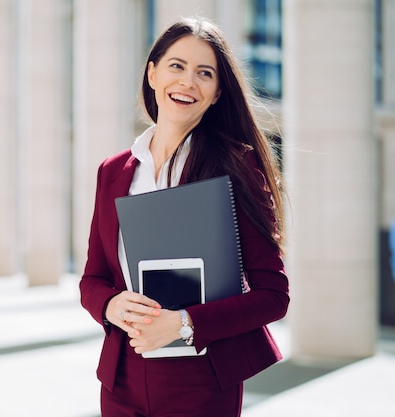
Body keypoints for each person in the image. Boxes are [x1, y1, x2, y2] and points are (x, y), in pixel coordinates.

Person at [79, 16, 289, 417]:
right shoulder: (113, 171)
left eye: (204, 73)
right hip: (122, 379)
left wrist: (182, 323)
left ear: (217, 93)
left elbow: (273, 297)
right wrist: (110, 306)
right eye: (176, 66)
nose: (187, 82)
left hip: (202, 383)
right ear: (153, 73)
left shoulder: (238, 169)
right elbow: (93, 279)